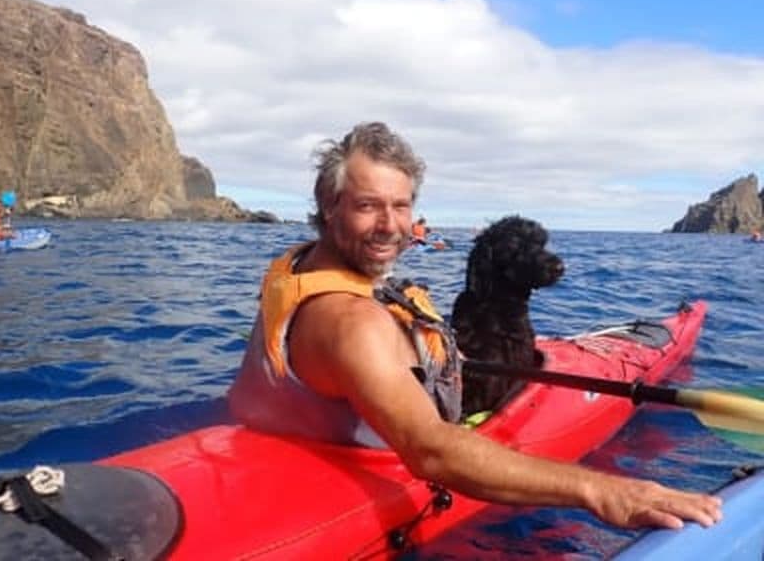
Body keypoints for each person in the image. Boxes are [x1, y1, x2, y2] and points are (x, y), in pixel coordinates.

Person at [229, 121, 721, 531]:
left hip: (272, 452)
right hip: (347, 483)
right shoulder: (352, 323)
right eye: (367, 205)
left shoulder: (300, 267)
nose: (390, 225)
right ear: (328, 204)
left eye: (401, 206)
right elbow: (432, 453)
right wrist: (601, 488)